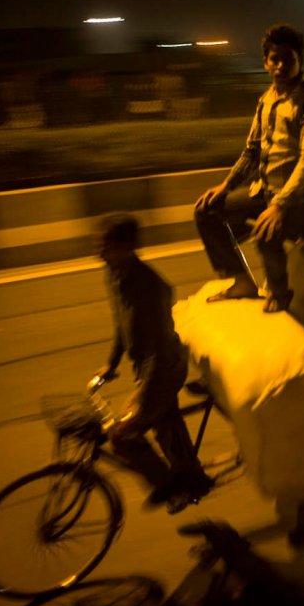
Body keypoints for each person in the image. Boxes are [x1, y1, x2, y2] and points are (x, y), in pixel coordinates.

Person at [195, 23, 304, 312]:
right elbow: (252, 151)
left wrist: (280, 205)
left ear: (300, 61)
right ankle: (241, 281)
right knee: (206, 211)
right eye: (275, 58)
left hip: (299, 199)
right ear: (265, 62)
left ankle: (281, 295)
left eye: (288, 58)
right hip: (264, 190)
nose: (281, 65)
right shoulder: (266, 100)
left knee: (265, 229)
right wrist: (227, 186)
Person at [94, 212, 212, 514]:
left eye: (107, 246)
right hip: (144, 366)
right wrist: (111, 364)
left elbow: (158, 349)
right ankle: (194, 478)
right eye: (100, 246)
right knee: (165, 425)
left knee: (122, 434)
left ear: (128, 247)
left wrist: (142, 395)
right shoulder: (115, 275)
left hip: (164, 366)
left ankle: (169, 487)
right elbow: (122, 326)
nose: (100, 254)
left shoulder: (150, 286)